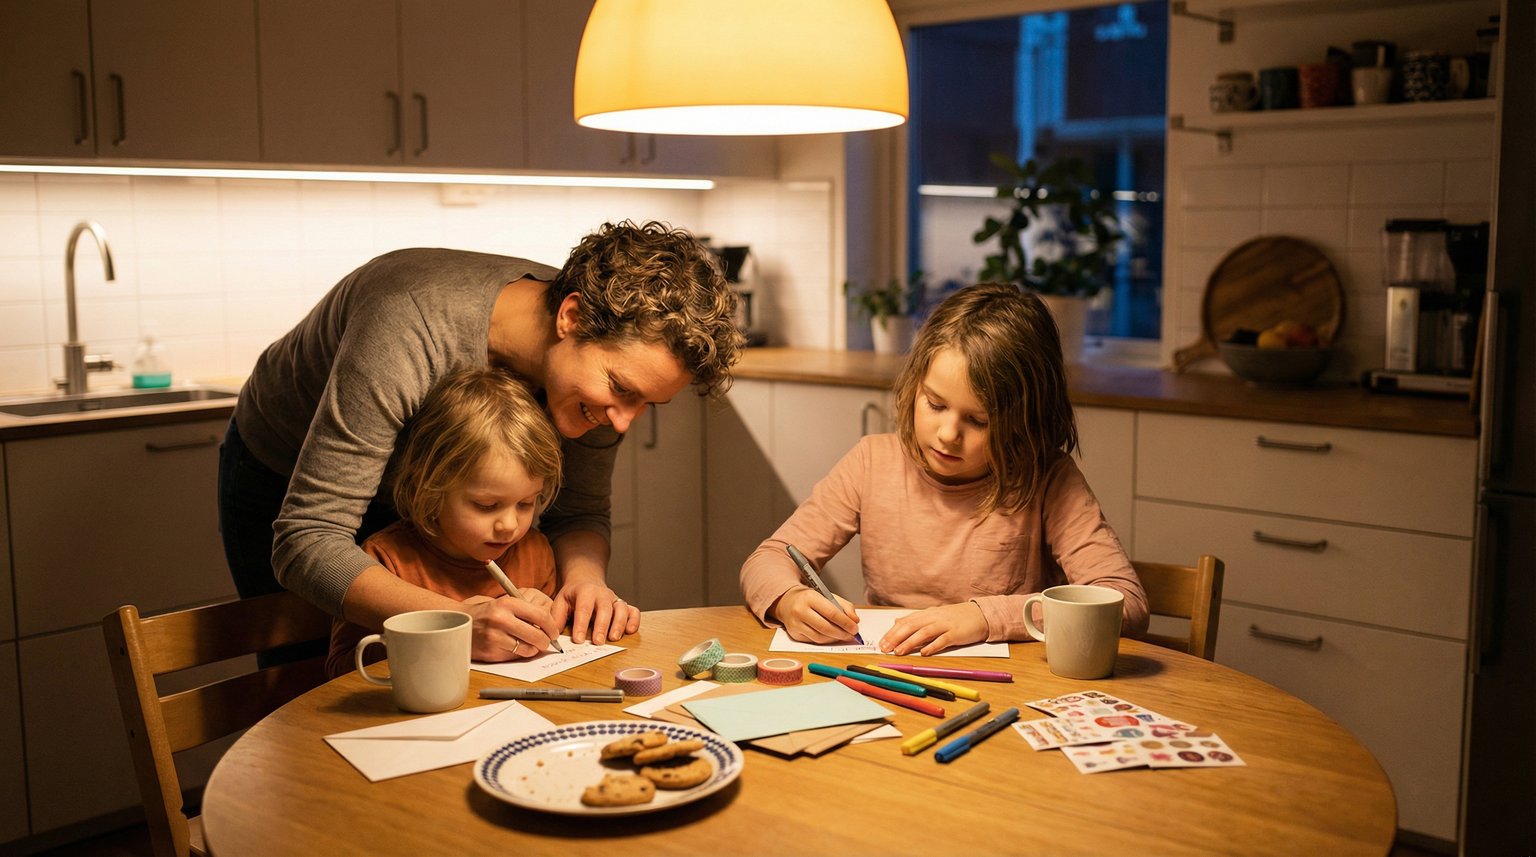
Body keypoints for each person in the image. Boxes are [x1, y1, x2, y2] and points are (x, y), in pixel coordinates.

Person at [219, 220, 742, 663]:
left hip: (451, 508)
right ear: (572, 318)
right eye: (622, 390)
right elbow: (308, 539)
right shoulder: (411, 319)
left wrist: (585, 580)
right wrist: (450, 621)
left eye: (647, 404)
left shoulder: (590, 381)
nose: (624, 422)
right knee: (313, 683)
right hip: (287, 477)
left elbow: (578, 512)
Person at [739, 282, 1148, 656]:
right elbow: (768, 560)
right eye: (934, 405)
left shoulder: (1047, 479)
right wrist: (789, 600)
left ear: (1025, 420)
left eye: (979, 420)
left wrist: (984, 617)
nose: (948, 434)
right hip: (890, 680)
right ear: (914, 384)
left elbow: (1125, 602)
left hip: (1009, 690)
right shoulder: (871, 462)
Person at [327, 367, 563, 677]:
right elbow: (342, 671)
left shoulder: (534, 552)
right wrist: (439, 636)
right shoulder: (386, 561)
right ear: (429, 487)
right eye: (486, 505)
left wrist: (542, 628)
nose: (509, 525)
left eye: (525, 503)